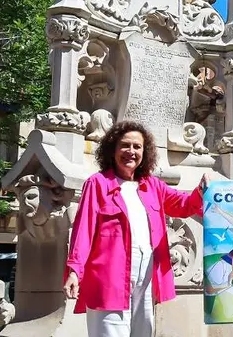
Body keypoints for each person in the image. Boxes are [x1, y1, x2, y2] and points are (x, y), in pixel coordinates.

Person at [63, 121, 209, 337]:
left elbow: (185, 205)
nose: (131, 151)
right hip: (108, 279)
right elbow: (83, 230)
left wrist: (201, 190)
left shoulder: (153, 185)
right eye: (125, 145)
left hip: (147, 278)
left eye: (137, 147)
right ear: (112, 150)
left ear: (144, 152)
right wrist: (75, 271)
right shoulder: (97, 184)